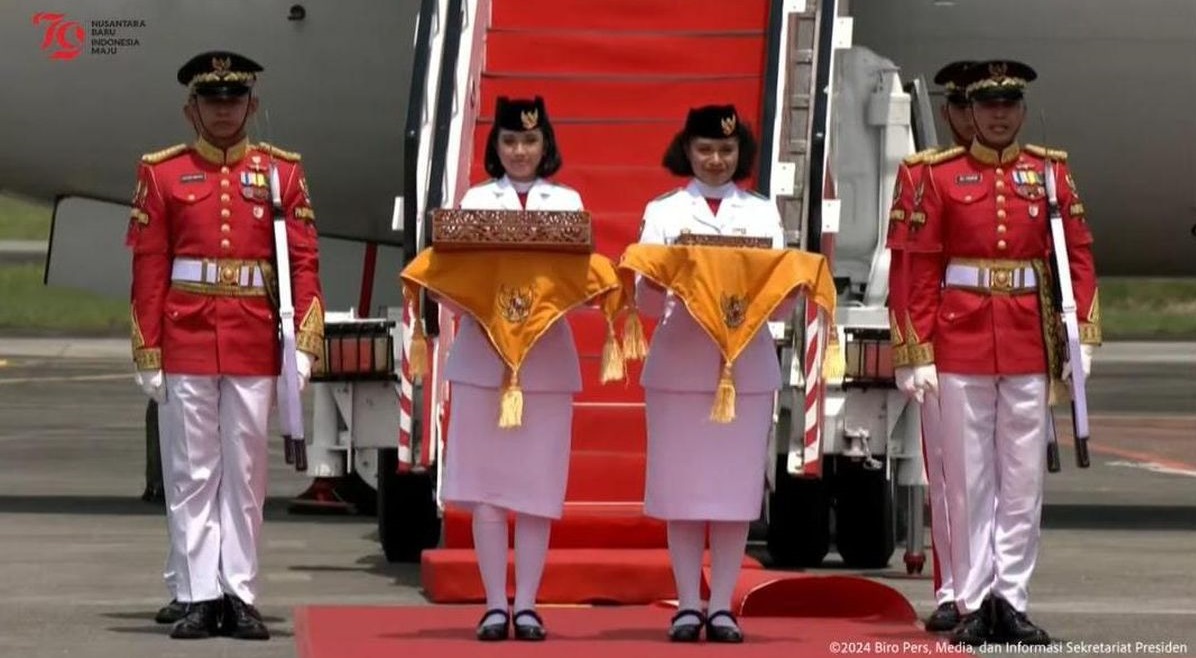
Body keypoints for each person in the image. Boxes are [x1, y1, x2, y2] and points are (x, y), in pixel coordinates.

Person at [128, 50, 324, 640]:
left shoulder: (282, 172)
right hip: (186, 334)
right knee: (191, 473)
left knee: (245, 474)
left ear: (252, 105)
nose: (223, 111)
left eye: (233, 100)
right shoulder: (161, 173)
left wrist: (305, 342)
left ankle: (239, 592)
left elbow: (305, 261)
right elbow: (149, 265)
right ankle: (197, 594)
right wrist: (148, 347)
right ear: (192, 108)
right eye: (212, 101)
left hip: (254, 337)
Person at [903, 60, 1100, 646]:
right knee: (967, 480)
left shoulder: (1050, 172)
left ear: (1019, 109)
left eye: (1009, 104)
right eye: (987, 105)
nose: (998, 114)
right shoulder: (936, 176)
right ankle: (970, 599)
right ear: (970, 113)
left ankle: (1011, 599)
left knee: (1021, 481)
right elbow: (918, 270)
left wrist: (1081, 335)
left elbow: (1079, 257)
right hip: (959, 335)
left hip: (1026, 339)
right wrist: (916, 349)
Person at [635, 105, 784, 643]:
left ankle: (722, 605)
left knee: (733, 491)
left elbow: (782, 303)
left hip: (744, 364)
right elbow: (645, 302)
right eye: (705, 150)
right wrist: (659, 279)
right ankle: (687, 602)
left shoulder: (763, 214)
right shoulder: (665, 212)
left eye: (726, 150)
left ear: (740, 152)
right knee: (682, 491)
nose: (716, 160)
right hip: (681, 362)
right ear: (687, 151)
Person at [438, 96, 578, 642]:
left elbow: (579, 286)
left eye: (530, 140)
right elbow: (453, 284)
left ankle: (529, 603)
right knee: (490, 492)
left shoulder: (566, 203)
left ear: (546, 146)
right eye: (510, 141)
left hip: (544, 361)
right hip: (483, 359)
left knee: (537, 490)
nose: (520, 151)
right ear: (495, 146)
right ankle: (495, 604)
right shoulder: (476, 200)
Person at [886, 59, 977, 634]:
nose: (977, 118)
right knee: (946, 475)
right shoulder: (924, 175)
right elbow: (907, 270)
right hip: (945, 338)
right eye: (965, 106)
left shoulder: (1030, 174)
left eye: (990, 106)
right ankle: (951, 587)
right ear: (947, 113)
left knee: (1007, 478)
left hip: (1006, 341)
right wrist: (913, 348)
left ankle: (997, 588)